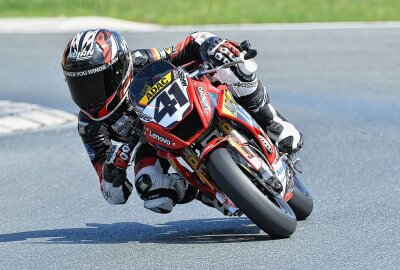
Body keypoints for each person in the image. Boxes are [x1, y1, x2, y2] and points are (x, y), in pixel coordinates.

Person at [61, 29, 304, 214]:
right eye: (80, 86)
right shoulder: (90, 126)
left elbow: (188, 45)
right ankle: (212, 189)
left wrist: (213, 46)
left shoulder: (141, 59)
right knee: (152, 191)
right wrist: (113, 170)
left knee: (237, 66)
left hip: (195, 96)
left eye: (98, 81)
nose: (91, 95)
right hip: (155, 142)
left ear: (120, 67)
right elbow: (113, 194)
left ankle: (271, 120)